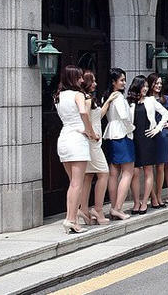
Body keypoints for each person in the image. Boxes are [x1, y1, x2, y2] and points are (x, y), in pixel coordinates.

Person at [54, 65, 96, 234]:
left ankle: (72, 218)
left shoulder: (58, 96)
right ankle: (71, 219)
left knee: (73, 183)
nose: (81, 80)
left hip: (64, 138)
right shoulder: (78, 95)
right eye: (78, 77)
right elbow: (84, 113)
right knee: (77, 184)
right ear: (72, 79)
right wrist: (90, 132)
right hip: (77, 139)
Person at [129, 75, 168, 214]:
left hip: (148, 138)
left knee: (148, 170)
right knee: (134, 172)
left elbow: (166, 114)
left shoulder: (151, 100)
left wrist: (157, 129)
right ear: (137, 87)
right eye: (143, 86)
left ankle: (145, 202)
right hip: (133, 138)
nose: (145, 88)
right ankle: (136, 202)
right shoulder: (129, 102)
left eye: (147, 86)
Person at [101, 68, 134, 220]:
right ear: (114, 82)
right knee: (128, 172)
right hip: (122, 134)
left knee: (114, 172)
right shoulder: (119, 98)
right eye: (121, 80)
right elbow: (125, 118)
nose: (124, 82)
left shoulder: (106, 97)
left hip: (110, 135)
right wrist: (131, 129)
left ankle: (114, 207)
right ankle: (118, 208)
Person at [80, 71, 112, 225]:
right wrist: (92, 134)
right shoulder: (86, 100)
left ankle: (84, 210)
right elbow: (84, 117)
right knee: (104, 173)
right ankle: (97, 210)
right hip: (92, 143)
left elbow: (96, 116)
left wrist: (108, 101)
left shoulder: (87, 99)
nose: (95, 84)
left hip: (89, 143)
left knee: (88, 176)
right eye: (92, 81)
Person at [145, 73, 168, 209]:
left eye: (160, 83)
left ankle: (158, 194)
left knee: (161, 166)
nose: (159, 86)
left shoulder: (165, 99)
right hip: (148, 134)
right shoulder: (145, 99)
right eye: (156, 83)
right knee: (149, 167)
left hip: (162, 134)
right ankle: (153, 198)